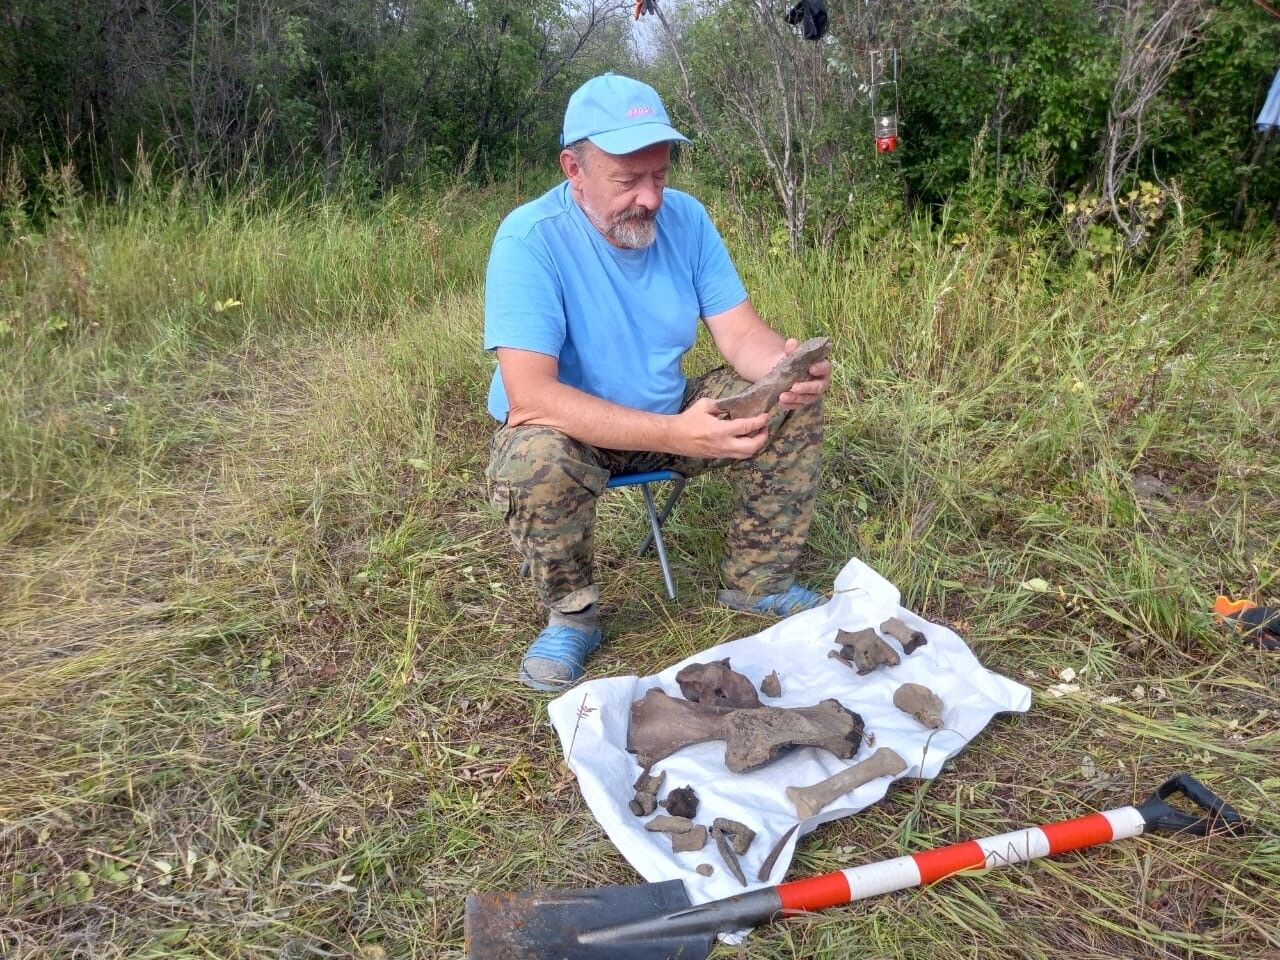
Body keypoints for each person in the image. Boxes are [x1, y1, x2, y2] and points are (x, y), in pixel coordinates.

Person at [484, 73, 831, 691]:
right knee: (531, 457)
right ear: (574, 169)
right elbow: (530, 395)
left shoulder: (688, 221)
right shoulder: (529, 239)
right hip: (574, 433)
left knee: (792, 402)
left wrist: (784, 368)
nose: (649, 198)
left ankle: (757, 585)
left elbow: (740, 336)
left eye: (660, 176)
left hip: (672, 415)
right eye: (627, 180)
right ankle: (573, 618)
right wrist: (678, 435)